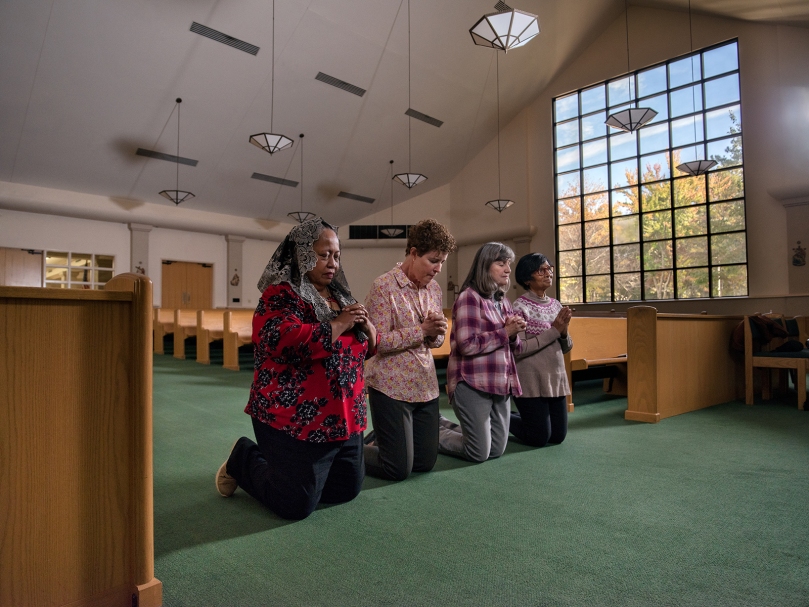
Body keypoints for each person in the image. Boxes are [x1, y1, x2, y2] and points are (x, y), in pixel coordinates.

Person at [215, 217, 377, 520]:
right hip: (294, 419)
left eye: (337, 256)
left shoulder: (342, 296)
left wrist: (370, 330)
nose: (332, 263)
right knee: (296, 505)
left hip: (344, 419)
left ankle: (289, 470)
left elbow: (361, 351)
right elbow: (282, 340)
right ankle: (244, 457)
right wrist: (340, 323)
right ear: (302, 253)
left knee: (346, 490)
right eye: (324, 254)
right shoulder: (281, 295)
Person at [363, 219, 457, 480]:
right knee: (397, 469)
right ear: (413, 253)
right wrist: (422, 331)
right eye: (433, 260)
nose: (438, 269)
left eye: (442, 262)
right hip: (390, 386)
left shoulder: (434, 289)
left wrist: (438, 332)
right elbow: (376, 343)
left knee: (424, 463)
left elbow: (435, 342)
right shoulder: (383, 287)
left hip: (424, 384)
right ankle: (347, 450)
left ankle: (383, 438)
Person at [438, 242, 526, 462]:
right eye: (501, 263)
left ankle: (442, 424)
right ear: (485, 266)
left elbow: (515, 348)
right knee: (478, 452)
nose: (507, 269)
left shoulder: (502, 301)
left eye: (509, 264)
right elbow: (467, 345)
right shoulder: (469, 297)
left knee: (495, 450)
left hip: (499, 382)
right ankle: (427, 433)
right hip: (472, 382)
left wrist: (514, 334)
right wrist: (506, 332)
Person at [511, 253, 572, 447]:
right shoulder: (520, 306)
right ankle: (500, 417)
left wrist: (564, 332)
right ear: (527, 278)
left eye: (549, 269)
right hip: (531, 379)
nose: (548, 273)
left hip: (555, 377)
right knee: (538, 438)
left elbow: (567, 347)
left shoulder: (556, 305)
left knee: (557, 437)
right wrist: (555, 330)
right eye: (541, 270)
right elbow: (519, 349)